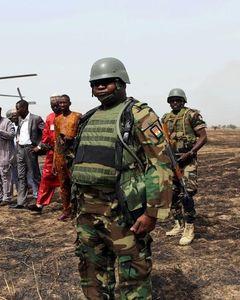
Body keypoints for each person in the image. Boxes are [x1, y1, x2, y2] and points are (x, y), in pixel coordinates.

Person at [71, 57, 173, 299]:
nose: (100, 87)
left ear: (121, 82)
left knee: (133, 276)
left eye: (106, 82)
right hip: (87, 213)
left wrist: (151, 213)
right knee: (92, 274)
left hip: (123, 212)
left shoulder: (138, 115)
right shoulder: (89, 117)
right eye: (95, 83)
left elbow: (159, 164)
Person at [162, 88, 207, 246]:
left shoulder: (192, 115)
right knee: (172, 193)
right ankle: (178, 224)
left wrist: (190, 152)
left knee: (187, 193)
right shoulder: (165, 118)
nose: (175, 103)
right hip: (171, 161)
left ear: (183, 101)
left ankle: (189, 227)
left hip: (187, 160)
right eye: (172, 100)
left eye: (178, 100)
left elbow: (203, 137)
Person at [28, 95, 62, 213]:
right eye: (52, 106)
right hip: (51, 154)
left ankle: (70, 206)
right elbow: (46, 136)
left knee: (66, 180)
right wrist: (40, 146)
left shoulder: (70, 117)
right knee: (46, 178)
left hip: (65, 154)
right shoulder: (50, 118)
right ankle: (39, 205)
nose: (55, 108)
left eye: (57, 105)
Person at [10, 99, 45, 209]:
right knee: (21, 176)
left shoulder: (36, 118)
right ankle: (21, 202)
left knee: (35, 176)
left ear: (24, 108)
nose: (16, 111)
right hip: (20, 150)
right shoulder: (19, 119)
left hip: (30, 150)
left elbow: (46, 133)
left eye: (18, 108)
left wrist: (39, 146)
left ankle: (40, 201)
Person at [54, 94, 82, 221]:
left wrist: (73, 138)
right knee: (63, 185)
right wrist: (55, 160)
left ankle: (79, 209)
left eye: (64, 103)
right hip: (61, 155)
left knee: (76, 184)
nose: (62, 105)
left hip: (74, 155)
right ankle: (66, 210)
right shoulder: (57, 119)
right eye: (60, 103)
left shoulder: (77, 116)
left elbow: (83, 136)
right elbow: (56, 140)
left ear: (69, 103)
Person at [6, 108, 19, 199]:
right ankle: (12, 190)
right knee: (11, 173)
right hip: (10, 151)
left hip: (20, 151)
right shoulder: (8, 125)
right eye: (13, 115)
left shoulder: (20, 124)